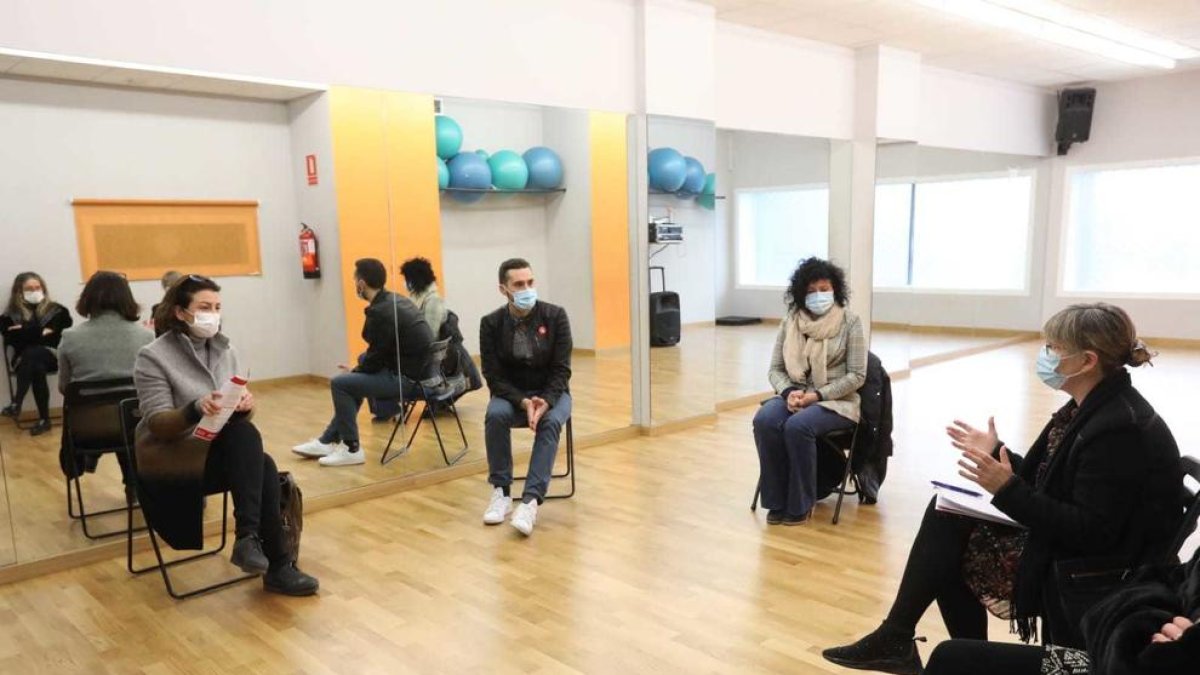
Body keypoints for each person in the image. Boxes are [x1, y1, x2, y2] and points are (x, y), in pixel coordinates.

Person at [823, 303, 1182, 674]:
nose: (1045, 355)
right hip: (1088, 553)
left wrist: (1006, 488)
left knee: (948, 546)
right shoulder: (1093, 407)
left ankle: (922, 645)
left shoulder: (1117, 430)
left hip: (1097, 574)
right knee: (946, 515)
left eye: (1054, 348)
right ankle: (912, 641)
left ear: (1087, 360)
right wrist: (998, 452)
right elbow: (1056, 478)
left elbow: (1089, 531)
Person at [134, 274, 318, 595]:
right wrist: (195, 409)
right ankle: (275, 562)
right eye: (205, 306)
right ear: (180, 312)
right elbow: (158, 424)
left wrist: (245, 405)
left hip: (216, 450)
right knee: (261, 463)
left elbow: (233, 406)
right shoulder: (152, 357)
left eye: (217, 307)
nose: (213, 314)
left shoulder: (226, 349)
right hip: (172, 458)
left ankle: (251, 541)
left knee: (249, 440)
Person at [923, 546, 1200, 675]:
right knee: (953, 658)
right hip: (1113, 658)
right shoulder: (1081, 429)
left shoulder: (1122, 434)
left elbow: (1088, 528)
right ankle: (896, 633)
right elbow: (1164, 580)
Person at [752, 257, 866, 525]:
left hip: (837, 401)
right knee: (765, 420)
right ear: (801, 294)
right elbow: (775, 369)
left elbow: (858, 375)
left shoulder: (850, 322)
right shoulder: (790, 322)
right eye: (811, 291)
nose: (818, 296)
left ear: (835, 290)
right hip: (796, 395)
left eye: (824, 289)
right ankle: (776, 500)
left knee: (798, 426)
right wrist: (788, 391)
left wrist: (818, 395)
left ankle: (800, 502)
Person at [292, 258, 434, 466]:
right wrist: (359, 370)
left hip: (411, 381)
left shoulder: (381, 312)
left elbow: (376, 358)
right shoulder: (396, 300)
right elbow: (381, 353)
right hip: (422, 374)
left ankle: (351, 448)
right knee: (354, 377)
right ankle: (328, 439)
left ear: (361, 284)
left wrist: (357, 371)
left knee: (341, 384)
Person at [479, 258, 572, 536]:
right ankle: (502, 492)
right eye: (519, 284)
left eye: (530, 282)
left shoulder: (555, 316)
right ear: (503, 289)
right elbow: (492, 376)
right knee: (494, 415)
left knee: (551, 422)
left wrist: (544, 401)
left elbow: (562, 369)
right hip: (511, 396)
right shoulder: (491, 324)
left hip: (552, 393)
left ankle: (530, 501)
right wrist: (522, 402)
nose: (527, 288)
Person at [57, 271, 154, 479]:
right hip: (138, 427)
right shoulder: (146, 336)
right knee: (128, 410)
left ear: (87, 299)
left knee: (112, 410)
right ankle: (134, 484)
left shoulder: (70, 337)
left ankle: (91, 460)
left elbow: (65, 387)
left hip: (88, 430)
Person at [0, 272, 74, 435]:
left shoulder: (58, 311)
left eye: (37, 287)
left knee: (33, 353)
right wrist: (42, 332)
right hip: (23, 359)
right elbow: (13, 339)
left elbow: (59, 336)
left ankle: (16, 403)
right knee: (35, 361)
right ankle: (44, 420)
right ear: (19, 292)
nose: (34, 291)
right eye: (29, 288)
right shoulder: (9, 316)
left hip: (52, 357)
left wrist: (25, 330)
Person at [399, 257, 447, 335]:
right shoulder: (415, 297)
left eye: (407, 279)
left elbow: (430, 335)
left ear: (416, 280)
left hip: (424, 345)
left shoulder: (433, 301)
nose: (405, 282)